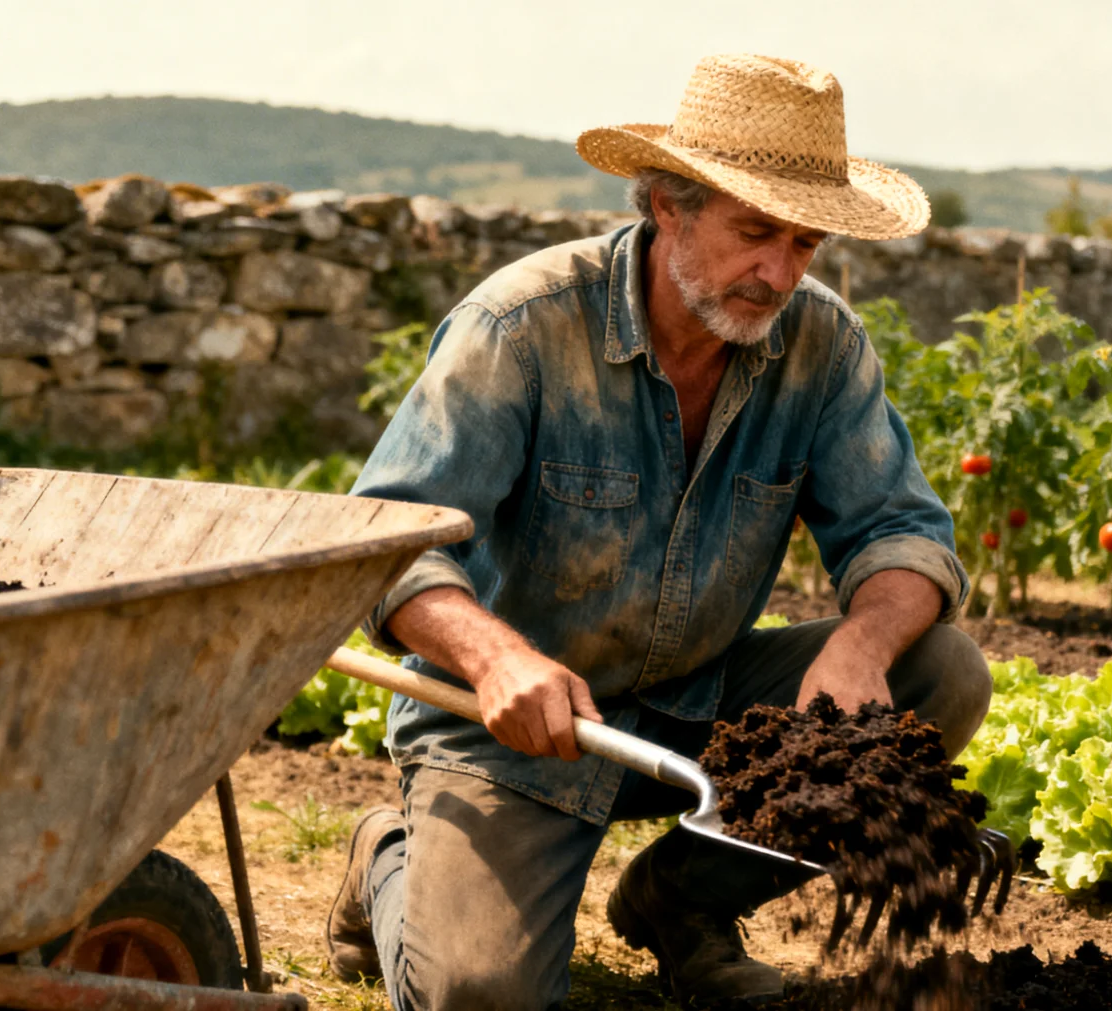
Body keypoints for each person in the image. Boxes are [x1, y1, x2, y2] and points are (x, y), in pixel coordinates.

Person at [325, 53, 991, 1011]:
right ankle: (388, 855)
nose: (780, 272)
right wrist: (496, 660)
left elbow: (904, 532)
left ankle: (682, 901)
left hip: (704, 706)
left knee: (942, 674)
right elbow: (390, 539)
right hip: (512, 728)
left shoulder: (821, 344)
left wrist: (862, 643)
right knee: (482, 997)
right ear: (665, 205)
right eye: (755, 231)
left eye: (805, 243)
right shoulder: (521, 328)